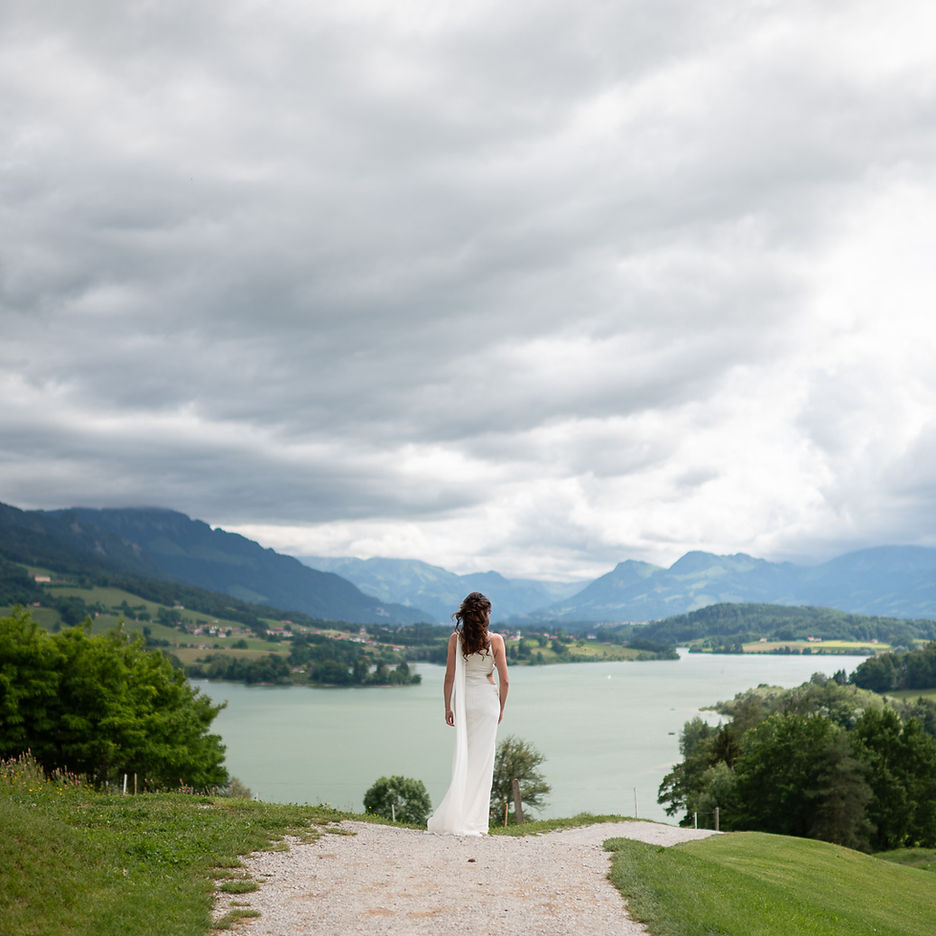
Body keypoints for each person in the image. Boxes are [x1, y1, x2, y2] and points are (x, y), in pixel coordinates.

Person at [426, 591, 509, 835]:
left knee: (465, 756)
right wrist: (501, 707)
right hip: (486, 703)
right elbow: (505, 681)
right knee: (482, 762)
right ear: (485, 614)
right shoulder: (496, 641)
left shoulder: (456, 639)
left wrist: (447, 707)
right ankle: (475, 822)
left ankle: (459, 816)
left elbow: (449, 677)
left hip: (465, 703)